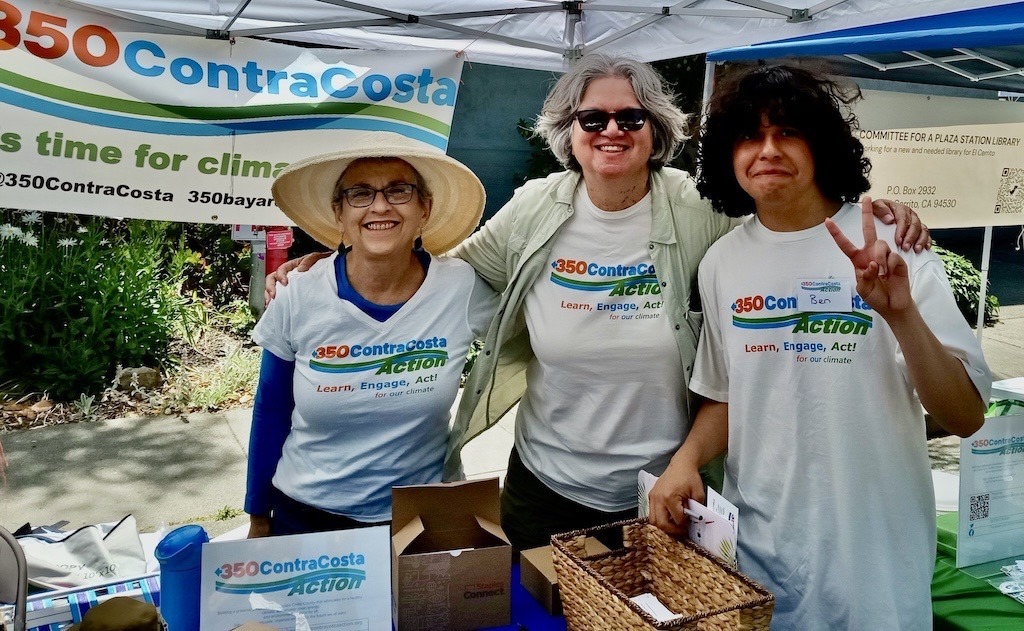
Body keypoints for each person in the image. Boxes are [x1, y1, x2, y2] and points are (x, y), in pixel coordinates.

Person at [266, 55, 930, 551]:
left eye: (630, 117)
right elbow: (437, 270)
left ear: (654, 130)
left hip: (667, 490)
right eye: (593, 117)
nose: (611, 128)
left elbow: (789, 226)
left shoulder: (700, 210)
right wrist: (337, 261)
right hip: (541, 487)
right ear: (569, 132)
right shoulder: (534, 208)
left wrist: (875, 208)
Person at [648, 64, 991, 629]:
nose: (768, 150)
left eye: (787, 132)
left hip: (875, 562)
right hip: (759, 558)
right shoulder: (722, 264)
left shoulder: (895, 250)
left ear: (821, 145)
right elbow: (728, 393)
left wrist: (901, 315)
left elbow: (965, 416)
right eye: (750, 137)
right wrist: (685, 461)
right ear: (728, 158)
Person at [246, 131, 497, 537]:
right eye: (359, 194)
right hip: (308, 516)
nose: (380, 205)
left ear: (424, 209)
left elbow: (531, 333)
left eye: (399, 191)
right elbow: (270, 408)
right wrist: (258, 518)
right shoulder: (299, 292)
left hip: (423, 515)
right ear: (338, 214)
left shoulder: (460, 287)